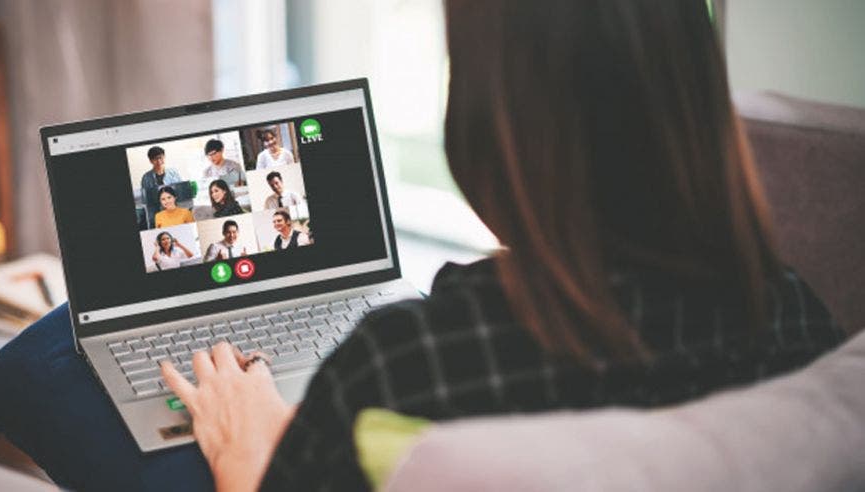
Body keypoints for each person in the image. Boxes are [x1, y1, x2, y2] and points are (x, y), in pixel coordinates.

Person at [159, 2, 847, 491]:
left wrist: (245, 453)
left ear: (496, 115)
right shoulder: (793, 318)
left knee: (58, 359)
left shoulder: (407, 364)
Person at [139, 146, 183, 226]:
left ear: (164, 157)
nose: (159, 161)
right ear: (151, 161)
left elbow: (181, 192)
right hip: (156, 214)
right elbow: (145, 200)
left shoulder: (174, 173)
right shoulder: (146, 178)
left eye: (161, 158)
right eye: (155, 159)